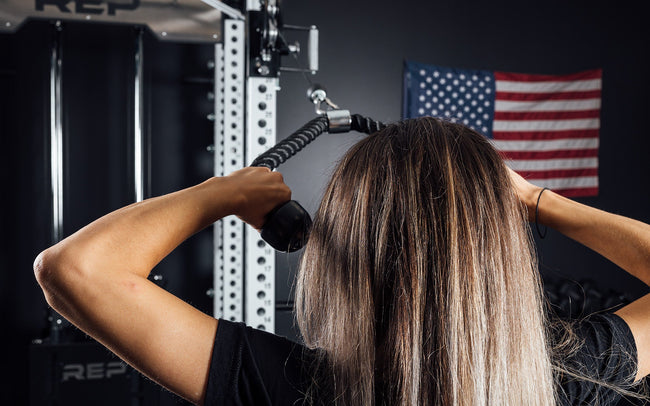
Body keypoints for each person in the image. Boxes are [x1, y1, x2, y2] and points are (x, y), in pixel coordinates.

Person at [34, 117, 650, 405]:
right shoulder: (568, 377)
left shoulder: (290, 390)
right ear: (499, 251)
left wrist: (220, 193)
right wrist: (537, 201)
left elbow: (75, 271)